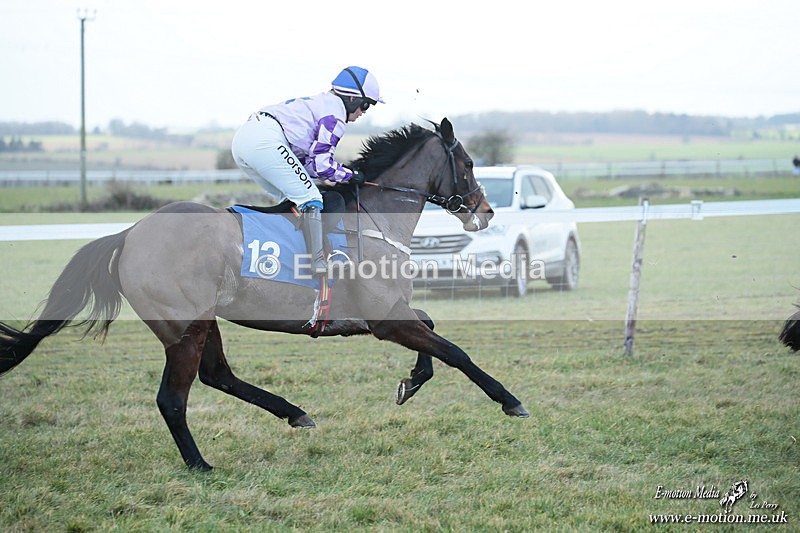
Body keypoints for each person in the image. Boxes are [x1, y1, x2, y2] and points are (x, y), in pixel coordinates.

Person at [231, 66, 383, 275]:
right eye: (366, 106)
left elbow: (312, 167)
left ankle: (287, 252)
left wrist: (339, 174)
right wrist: (351, 175)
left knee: (292, 198)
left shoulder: (323, 104)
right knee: (310, 196)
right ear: (352, 99)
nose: (363, 113)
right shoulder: (335, 115)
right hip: (265, 140)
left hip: (245, 141)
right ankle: (317, 262)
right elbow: (322, 166)